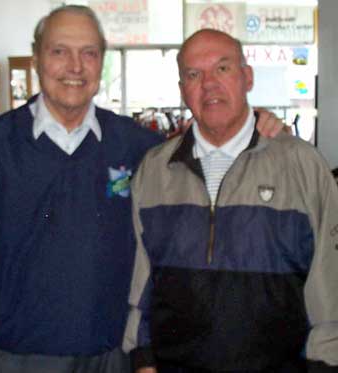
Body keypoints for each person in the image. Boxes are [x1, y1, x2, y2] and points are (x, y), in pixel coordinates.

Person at [0, 6, 284, 373]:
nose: (75, 66)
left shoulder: (136, 146)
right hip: (16, 358)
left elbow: (210, 156)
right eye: (59, 51)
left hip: (114, 357)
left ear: (101, 62)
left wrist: (255, 128)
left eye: (89, 53)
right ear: (38, 58)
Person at [123, 29, 338, 373]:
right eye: (194, 74)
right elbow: (141, 278)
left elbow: (329, 282)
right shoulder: (155, 170)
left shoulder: (302, 165)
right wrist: (142, 356)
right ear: (183, 90)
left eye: (223, 69)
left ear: (247, 77)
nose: (208, 84)